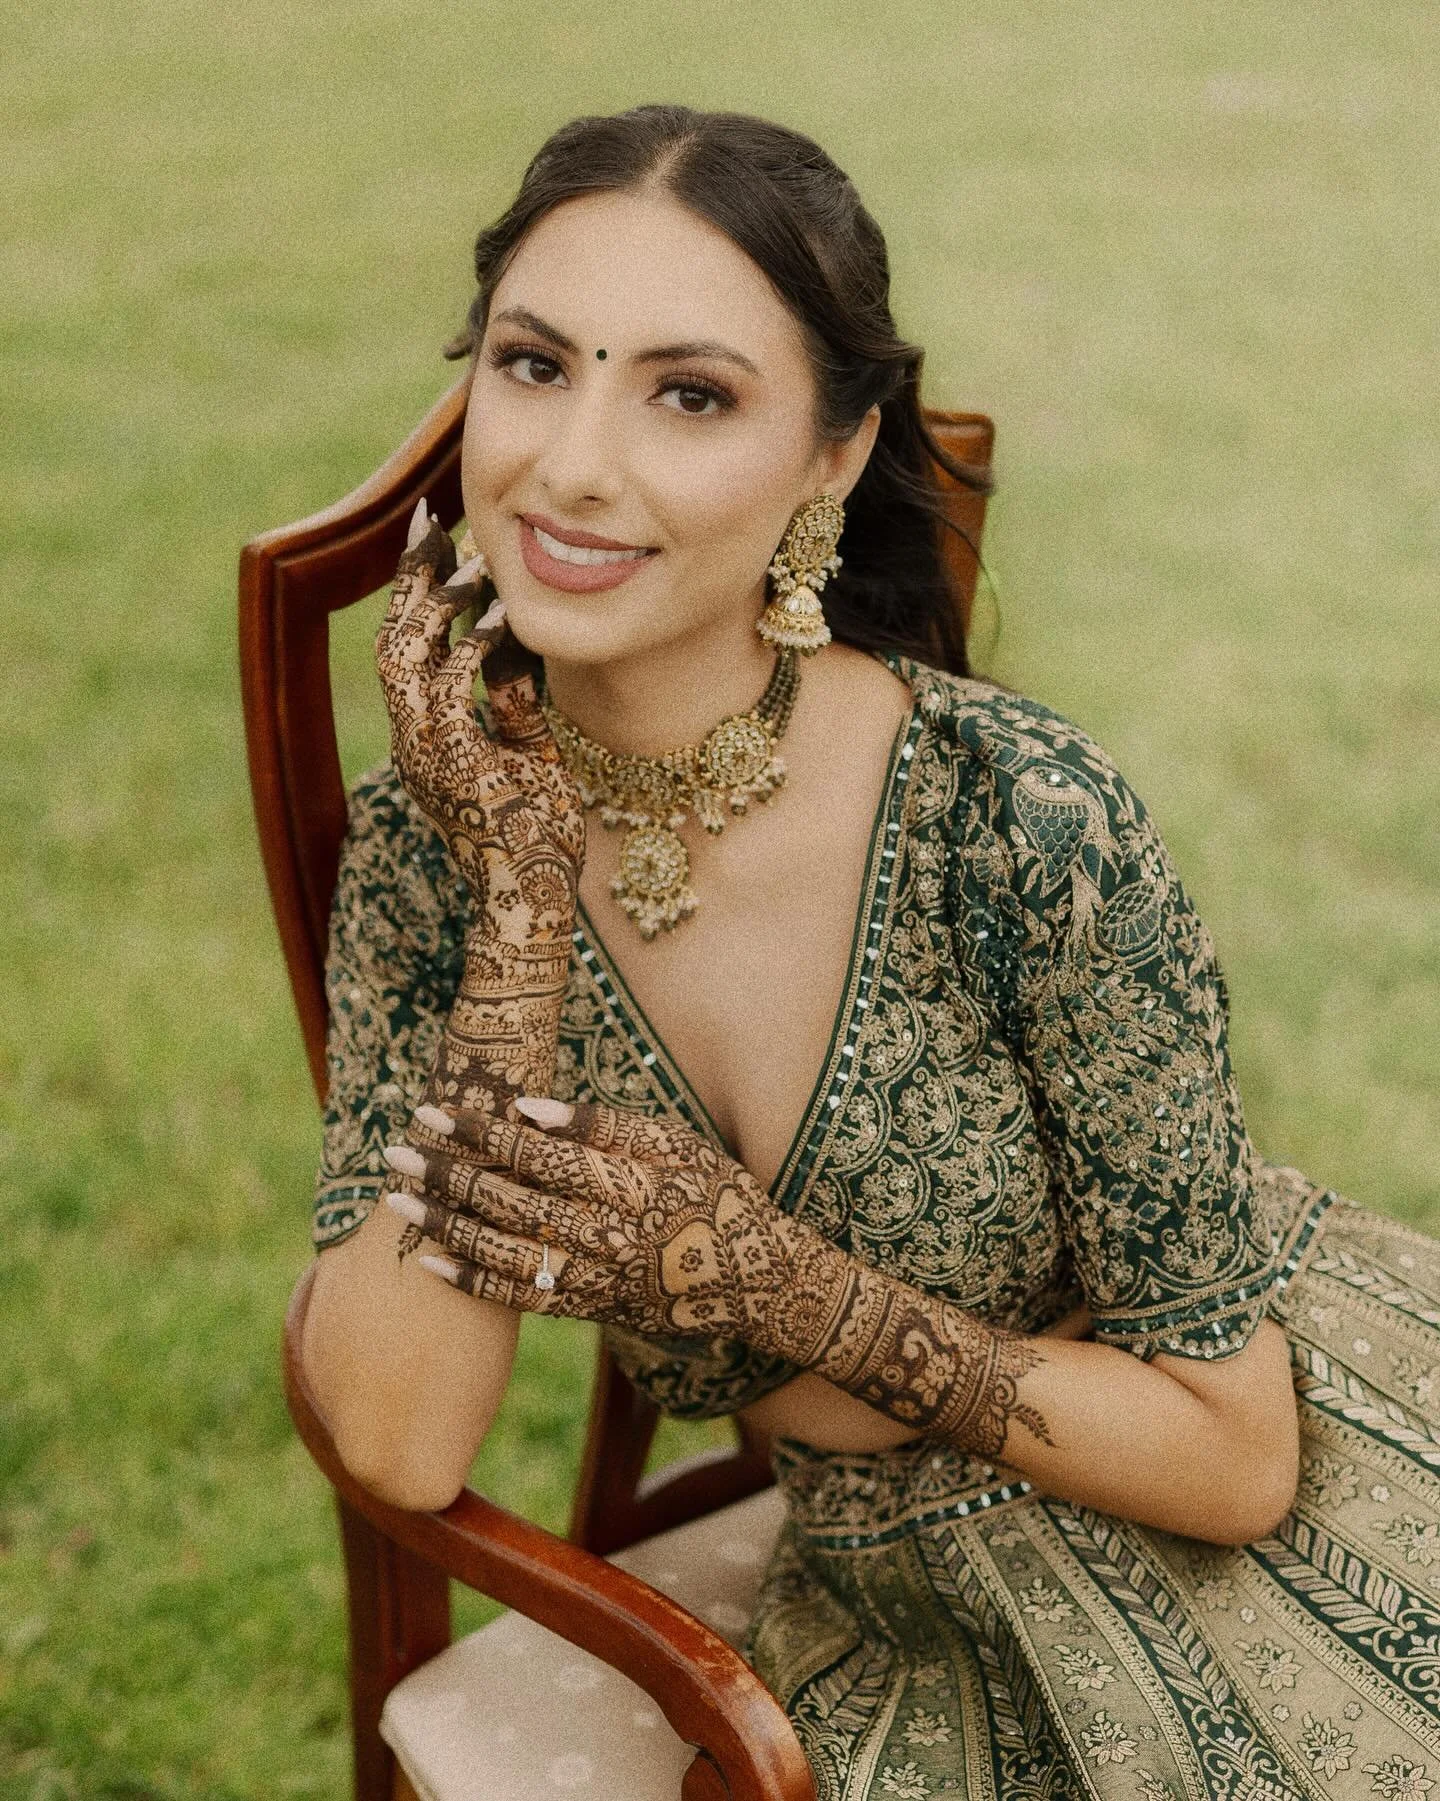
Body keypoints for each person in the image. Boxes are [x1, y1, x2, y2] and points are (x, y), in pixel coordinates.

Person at [299, 105, 1440, 1800]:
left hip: (1272, 1508)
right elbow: (398, 1444)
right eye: (534, 367)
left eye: (690, 394)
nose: (573, 466)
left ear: (833, 457)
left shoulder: (1017, 817)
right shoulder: (437, 847)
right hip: (898, 1603)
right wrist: (521, 907)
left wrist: (772, 1283)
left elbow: (1237, 1459)